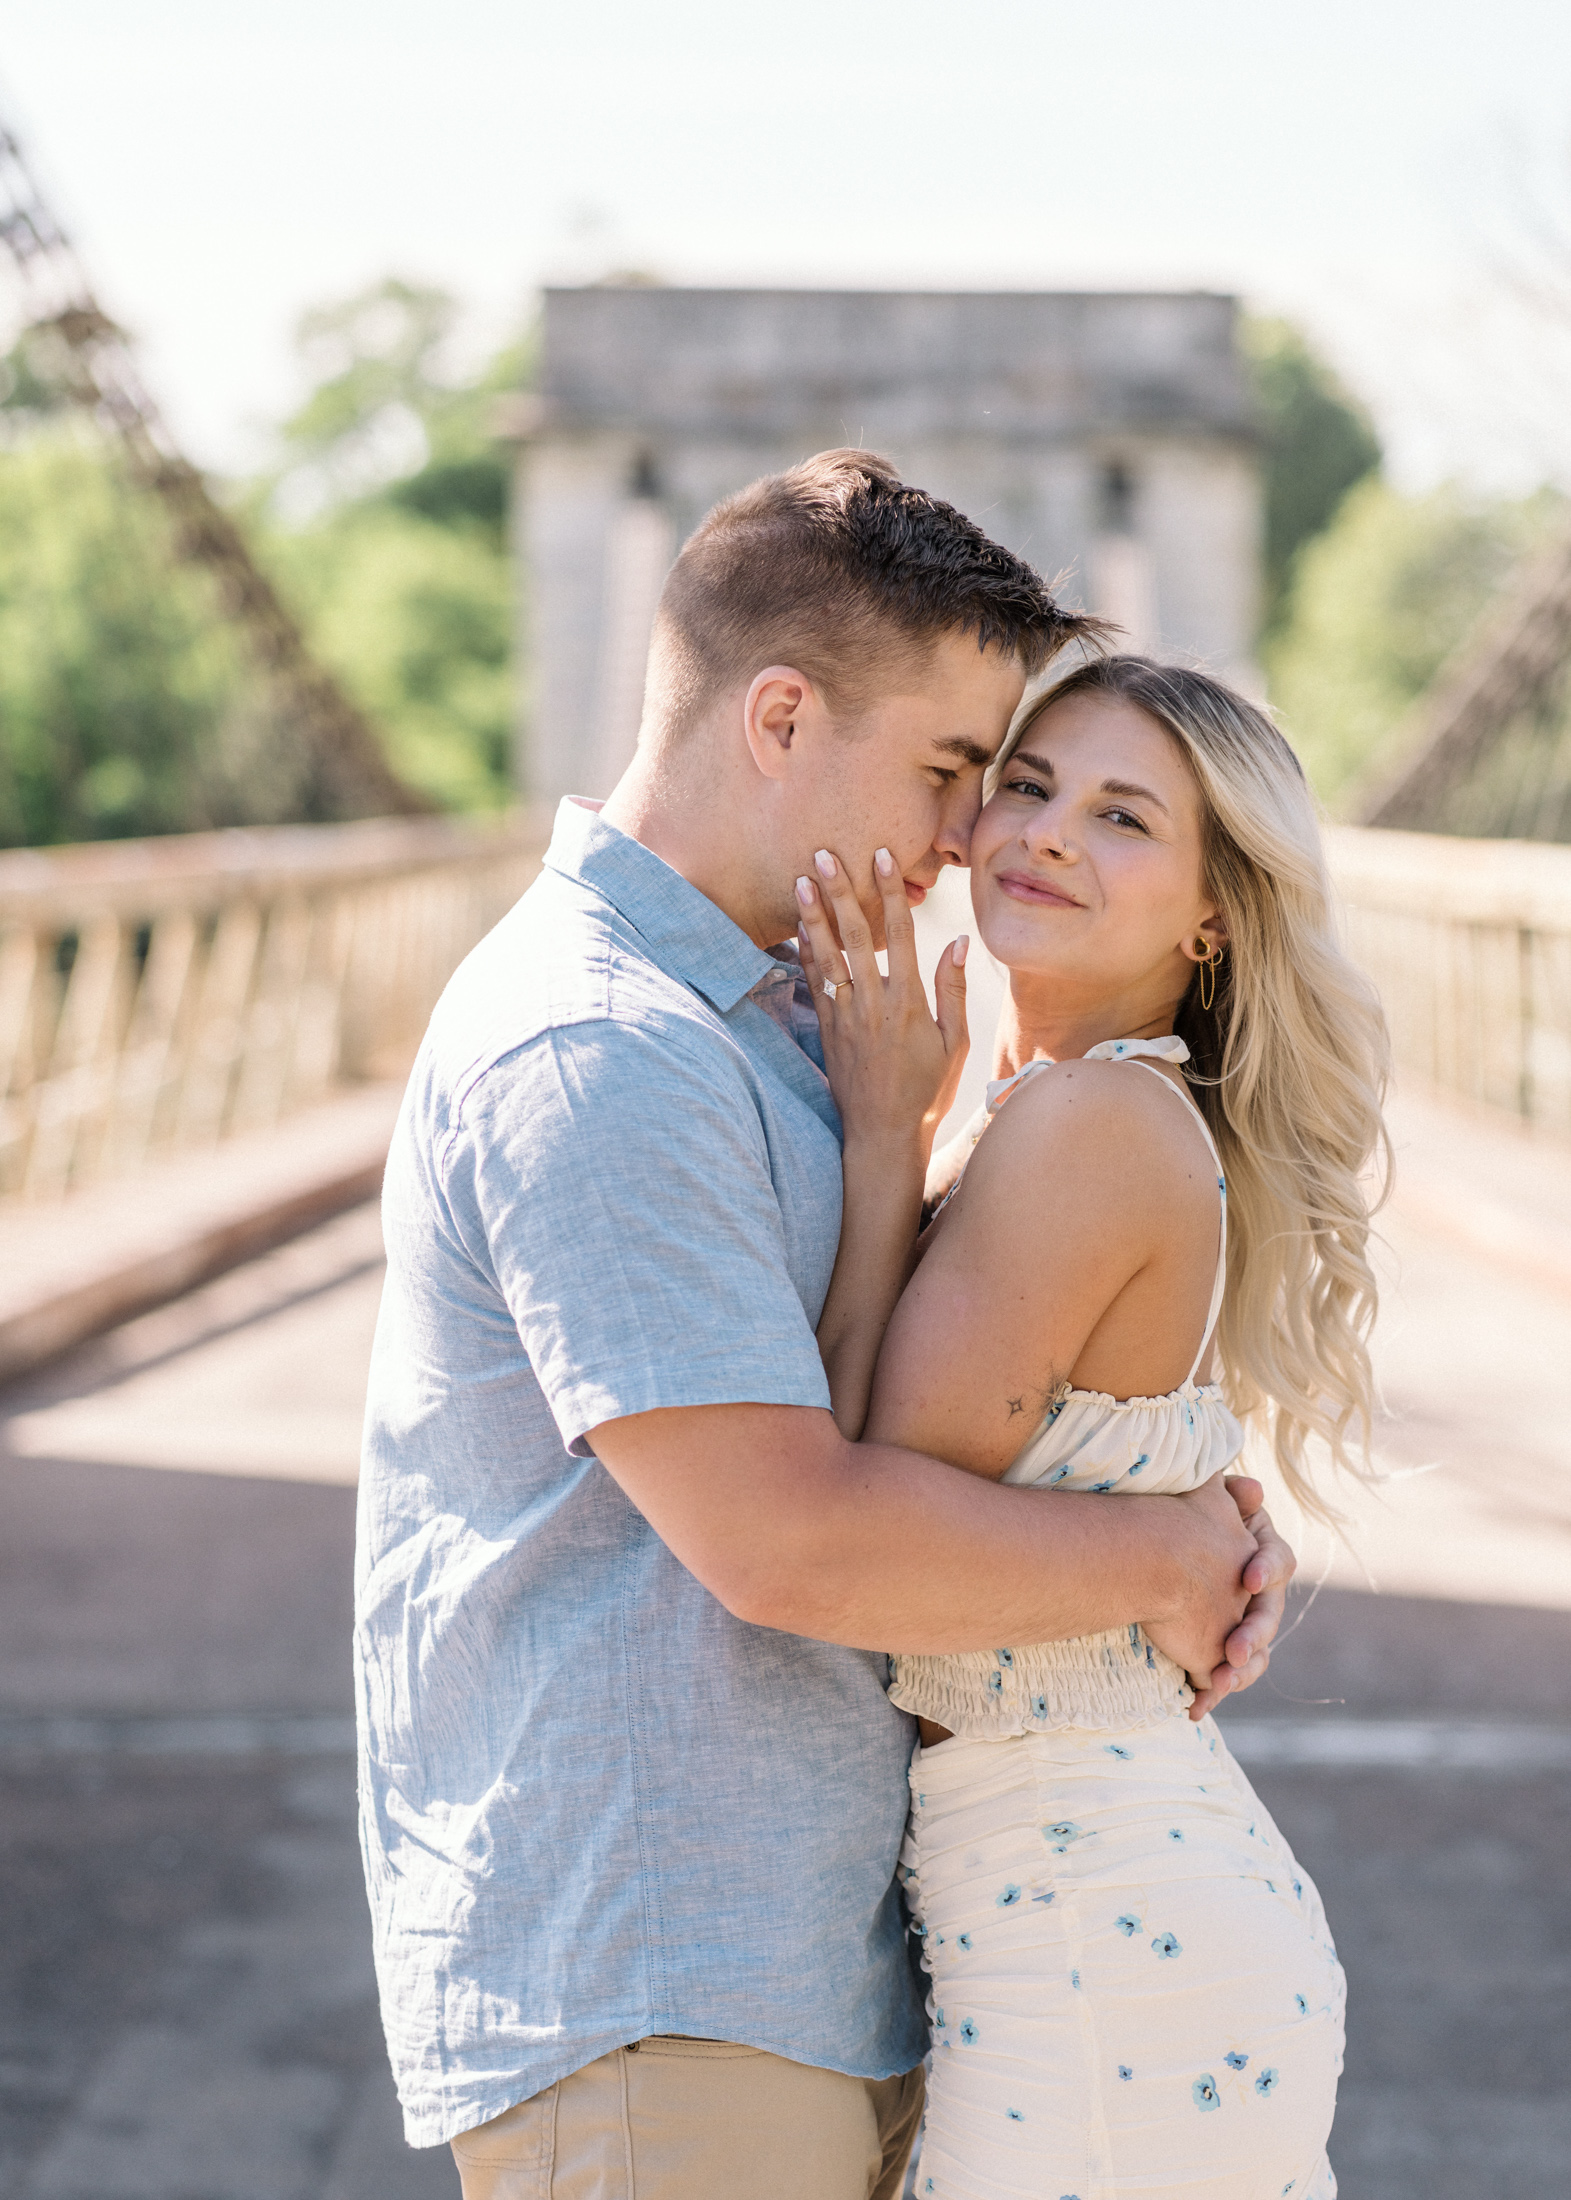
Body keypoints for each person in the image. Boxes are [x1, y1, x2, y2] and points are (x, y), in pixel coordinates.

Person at [354, 452, 1297, 2200]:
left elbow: (990, 1397)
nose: (973, 840)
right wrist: (1165, 1555)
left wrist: (1169, 1514)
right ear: (779, 715)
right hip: (659, 1987)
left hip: (832, 1968)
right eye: (962, 772)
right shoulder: (602, 1052)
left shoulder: (780, 1019)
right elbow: (791, 1542)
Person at [797, 654, 1390, 2200]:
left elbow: (865, 1511)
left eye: (1125, 816)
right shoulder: (1053, 1106)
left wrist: (878, 1143)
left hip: (1103, 1944)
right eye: (1032, 785)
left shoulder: (1090, 1125)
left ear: (1209, 913)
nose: (1049, 833)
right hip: (1082, 1918)